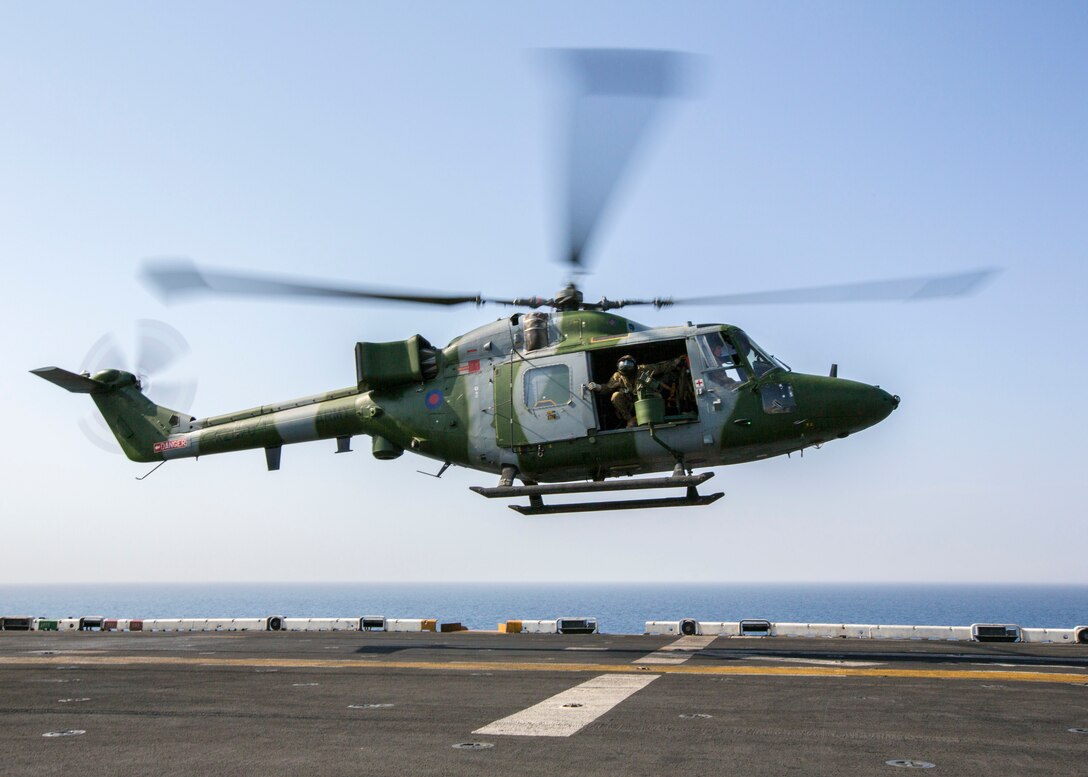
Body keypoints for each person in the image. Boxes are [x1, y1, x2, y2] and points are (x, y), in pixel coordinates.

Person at [588, 354, 686, 428]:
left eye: (628, 364)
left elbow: (661, 367)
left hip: (646, 399)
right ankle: (630, 420)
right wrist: (597, 386)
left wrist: (678, 361)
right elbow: (607, 388)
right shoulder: (617, 376)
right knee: (616, 396)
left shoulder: (643, 369)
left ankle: (654, 417)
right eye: (622, 364)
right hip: (630, 403)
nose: (626, 367)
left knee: (656, 394)